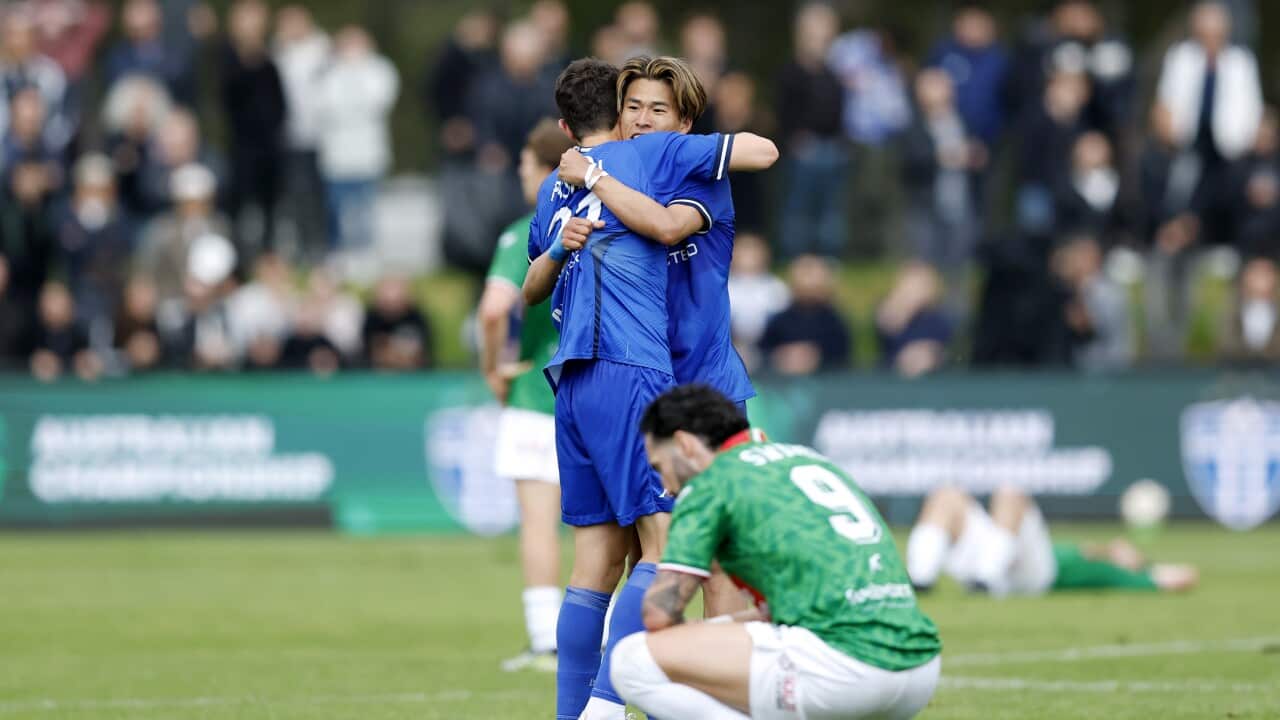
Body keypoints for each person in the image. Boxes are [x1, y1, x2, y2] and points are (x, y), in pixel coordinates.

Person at [521, 58, 776, 720]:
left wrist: (596, 177)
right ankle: (618, 704)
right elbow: (536, 279)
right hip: (642, 381)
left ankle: (712, 699)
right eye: (632, 105)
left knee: (714, 558)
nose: (641, 119)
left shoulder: (688, 173)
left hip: (705, 390)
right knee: (632, 556)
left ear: (684, 125)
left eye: (657, 110)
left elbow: (669, 225)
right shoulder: (602, 177)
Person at [609, 384, 942, 720]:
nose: (669, 484)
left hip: (841, 670)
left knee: (631, 660)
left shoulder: (710, 484)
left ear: (684, 444)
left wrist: (696, 632)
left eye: (661, 466)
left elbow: (658, 615)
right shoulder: (807, 459)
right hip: (919, 666)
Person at [477, 119, 574, 673]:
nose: (519, 175)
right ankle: (609, 638)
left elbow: (494, 308)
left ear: (543, 169)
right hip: (601, 394)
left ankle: (545, 642)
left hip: (538, 397)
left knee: (539, 521)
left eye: (523, 166)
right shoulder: (607, 221)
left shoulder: (528, 230)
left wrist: (494, 367)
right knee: (607, 526)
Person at [906, 485, 1198, 596]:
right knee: (946, 495)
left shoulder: (1108, 572)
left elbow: (1182, 578)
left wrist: (1144, 565)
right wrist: (1110, 549)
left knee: (1009, 494)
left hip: (1031, 575)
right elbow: (1086, 549)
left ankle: (987, 580)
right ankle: (920, 580)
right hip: (998, 556)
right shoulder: (1086, 552)